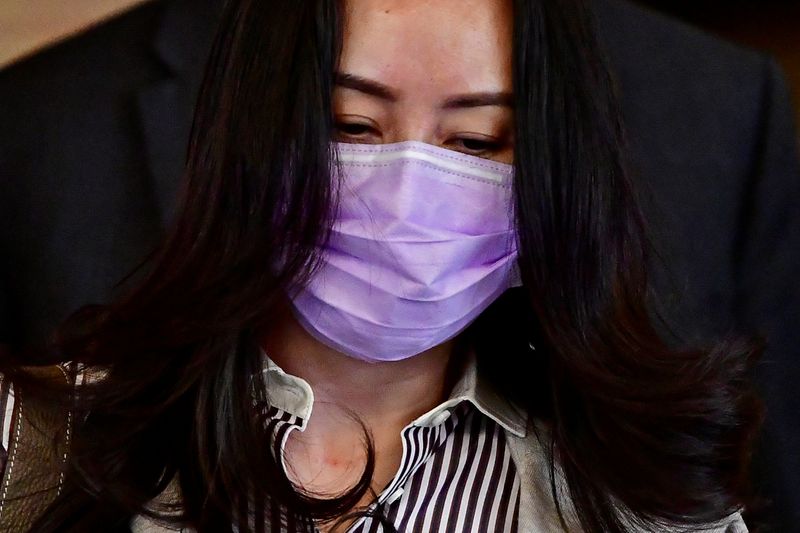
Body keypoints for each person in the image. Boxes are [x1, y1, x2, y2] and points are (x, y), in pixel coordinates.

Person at [0, 0, 790, 531]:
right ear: (250, 138)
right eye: (350, 125)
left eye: (477, 141)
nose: (409, 186)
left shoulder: (647, 501)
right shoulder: (39, 442)